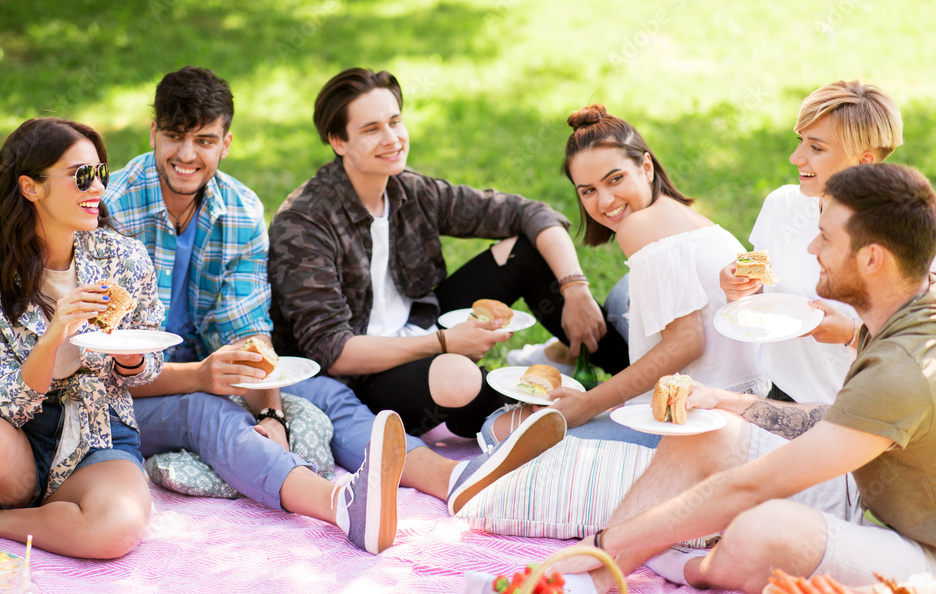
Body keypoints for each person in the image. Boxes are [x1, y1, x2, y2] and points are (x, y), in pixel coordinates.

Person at [102, 66, 565, 555]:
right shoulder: (110, 208)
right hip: (127, 389)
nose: (188, 155)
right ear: (153, 132)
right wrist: (201, 376)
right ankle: (341, 505)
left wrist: (272, 413)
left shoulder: (237, 208)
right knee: (208, 412)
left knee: (328, 396)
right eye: (174, 137)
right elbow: (98, 361)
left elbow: (247, 332)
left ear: (227, 142)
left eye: (204, 139)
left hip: (218, 370)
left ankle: (456, 479)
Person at [557, 163, 936, 594]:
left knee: (764, 528)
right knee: (705, 433)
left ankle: (694, 569)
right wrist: (723, 400)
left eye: (826, 237)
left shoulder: (903, 365)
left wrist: (605, 540)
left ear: (872, 259)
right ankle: (593, 584)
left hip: (918, 552)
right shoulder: (902, 310)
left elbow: (754, 485)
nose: (812, 247)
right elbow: (838, 419)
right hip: (865, 495)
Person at [268, 67, 628, 439]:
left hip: (422, 328)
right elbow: (334, 351)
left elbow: (531, 213)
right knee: (461, 378)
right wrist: (444, 344)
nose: (392, 139)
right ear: (338, 141)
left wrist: (576, 289)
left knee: (524, 252)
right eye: (371, 129)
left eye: (395, 121)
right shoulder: (304, 222)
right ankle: (524, 408)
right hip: (360, 379)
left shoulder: (411, 192)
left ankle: (636, 372)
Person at [0, 118, 163, 558]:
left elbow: (146, 369)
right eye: (81, 175)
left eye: (101, 173)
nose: (96, 187)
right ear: (30, 187)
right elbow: (2, 400)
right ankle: (6, 509)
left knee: (116, 529)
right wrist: (52, 339)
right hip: (13, 438)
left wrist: (132, 355)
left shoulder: (125, 258)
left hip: (101, 435)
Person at [480, 105, 766, 449]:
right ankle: (560, 355)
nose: (605, 201)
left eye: (615, 179)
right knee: (622, 295)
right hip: (746, 398)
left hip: (694, 421)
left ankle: (562, 365)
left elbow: (685, 344)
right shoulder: (688, 217)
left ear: (646, 167)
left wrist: (588, 404)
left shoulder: (639, 227)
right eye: (587, 190)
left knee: (495, 428)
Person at [720, 80, 903, 404]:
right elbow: (764, 271)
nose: (795, 157)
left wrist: (850, 334)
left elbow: (917, 345)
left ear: (864, 162)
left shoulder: (902, 236)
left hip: (854, 411)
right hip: (780, 395)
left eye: (816, 148)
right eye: (800, 141)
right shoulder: (782, 204)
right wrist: (739, 278)